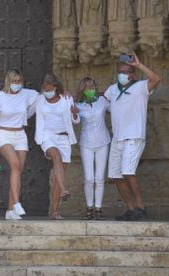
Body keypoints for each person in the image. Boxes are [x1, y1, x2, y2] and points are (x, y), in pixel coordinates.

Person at [104, 52, 161, 221]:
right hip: (117, 138)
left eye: (127, 72)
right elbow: (102, 99)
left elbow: (156, 79)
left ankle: (141, 207)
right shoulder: (112, 89)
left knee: (128, 172)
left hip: (134, 136)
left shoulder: (140, 87)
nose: (123, 74)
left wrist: (139, 64)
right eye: (120, 71)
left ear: (132, 74)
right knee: (115, 176)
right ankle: (130, 209)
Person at [0, 69, 39, 220]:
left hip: (20, 135)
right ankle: (16, 203)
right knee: (15, 165)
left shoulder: (27, 94)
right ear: (9, 81)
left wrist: (64, 93)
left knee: (17, 171)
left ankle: (10, 211)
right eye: (15, 81)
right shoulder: (0, 96)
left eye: (20, 81)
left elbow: (44, 96)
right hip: (3, 134)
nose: (18, 84)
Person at [34, 73, 80, 220]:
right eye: (44, 88)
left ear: (55, 87)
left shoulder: (66, 99)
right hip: (47, 136)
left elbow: (76, 120)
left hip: (64, 138)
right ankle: (64, 189)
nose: (46, 91)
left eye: (49, 88)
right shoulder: (39, 99)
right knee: (56, 155)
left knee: (59, 174)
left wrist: (74, 114)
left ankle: (54, 211)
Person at [75, 77, 111, 220]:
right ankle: (89, 207)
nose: (91, 90)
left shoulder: (102, 102)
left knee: (100, 178)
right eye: (88, 88)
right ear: (82, 90)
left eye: (93, 87)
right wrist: (73, 112)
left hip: (103, 141)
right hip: (86, 142)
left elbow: (115, 108)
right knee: (89, 178)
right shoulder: (78, 105)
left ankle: (98, 208)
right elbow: (75, 120)